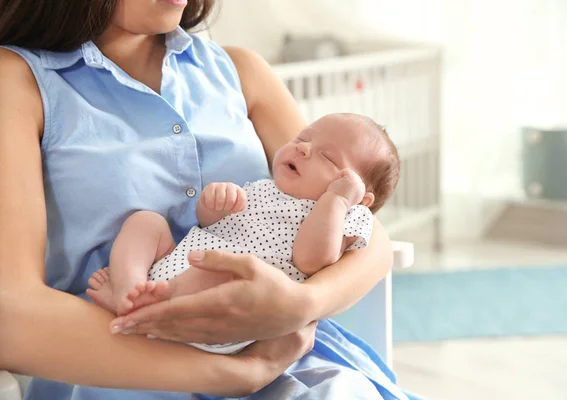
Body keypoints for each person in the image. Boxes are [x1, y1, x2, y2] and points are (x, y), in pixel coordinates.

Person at [0, 0, 421, 399]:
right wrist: (236, 374)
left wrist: (297, 305)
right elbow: (12, 314)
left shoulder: (240, 71)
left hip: (280, 354)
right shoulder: (16, 80)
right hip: (122, 363)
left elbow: (370, 236)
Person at [86, 113, 399, 355]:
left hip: (226, 308)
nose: (303, 148)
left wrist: (337, 199)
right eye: (303, 138)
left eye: (327, 158)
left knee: (223, 273)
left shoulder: (346, 215)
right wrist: (215, 204)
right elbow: (208, 227)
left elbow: (311, 259)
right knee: (146, 223)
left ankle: (154, 310)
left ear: (361, 197)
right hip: (175, 266)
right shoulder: (264, 187)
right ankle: (129, 289)